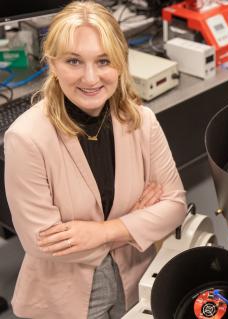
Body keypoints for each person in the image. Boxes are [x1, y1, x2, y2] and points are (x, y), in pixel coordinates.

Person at [4, 1, 187, 318]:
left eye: (103, 61)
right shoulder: (26, 137)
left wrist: (103, 231)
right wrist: (134, 221)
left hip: (137, 277)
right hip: (66, 297)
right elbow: (43, 244)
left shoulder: (142, 121)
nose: (90, 78)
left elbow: (175, 207)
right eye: (74, 61)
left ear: (120, 63)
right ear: (53, 63)